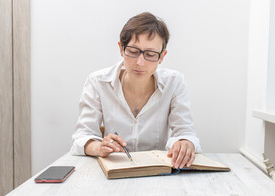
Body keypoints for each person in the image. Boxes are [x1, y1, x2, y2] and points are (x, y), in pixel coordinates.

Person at [69, 12, 201, 169]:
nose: (140, 62)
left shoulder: (175, 82)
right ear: (121, 49)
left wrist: (185, 143)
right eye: (133, 51)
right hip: (115, 171)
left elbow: (185, 132)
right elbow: (82, 136)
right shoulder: (98, 82)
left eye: (151, 54)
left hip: (158, 173)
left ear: (162, 57)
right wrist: (99, 147)